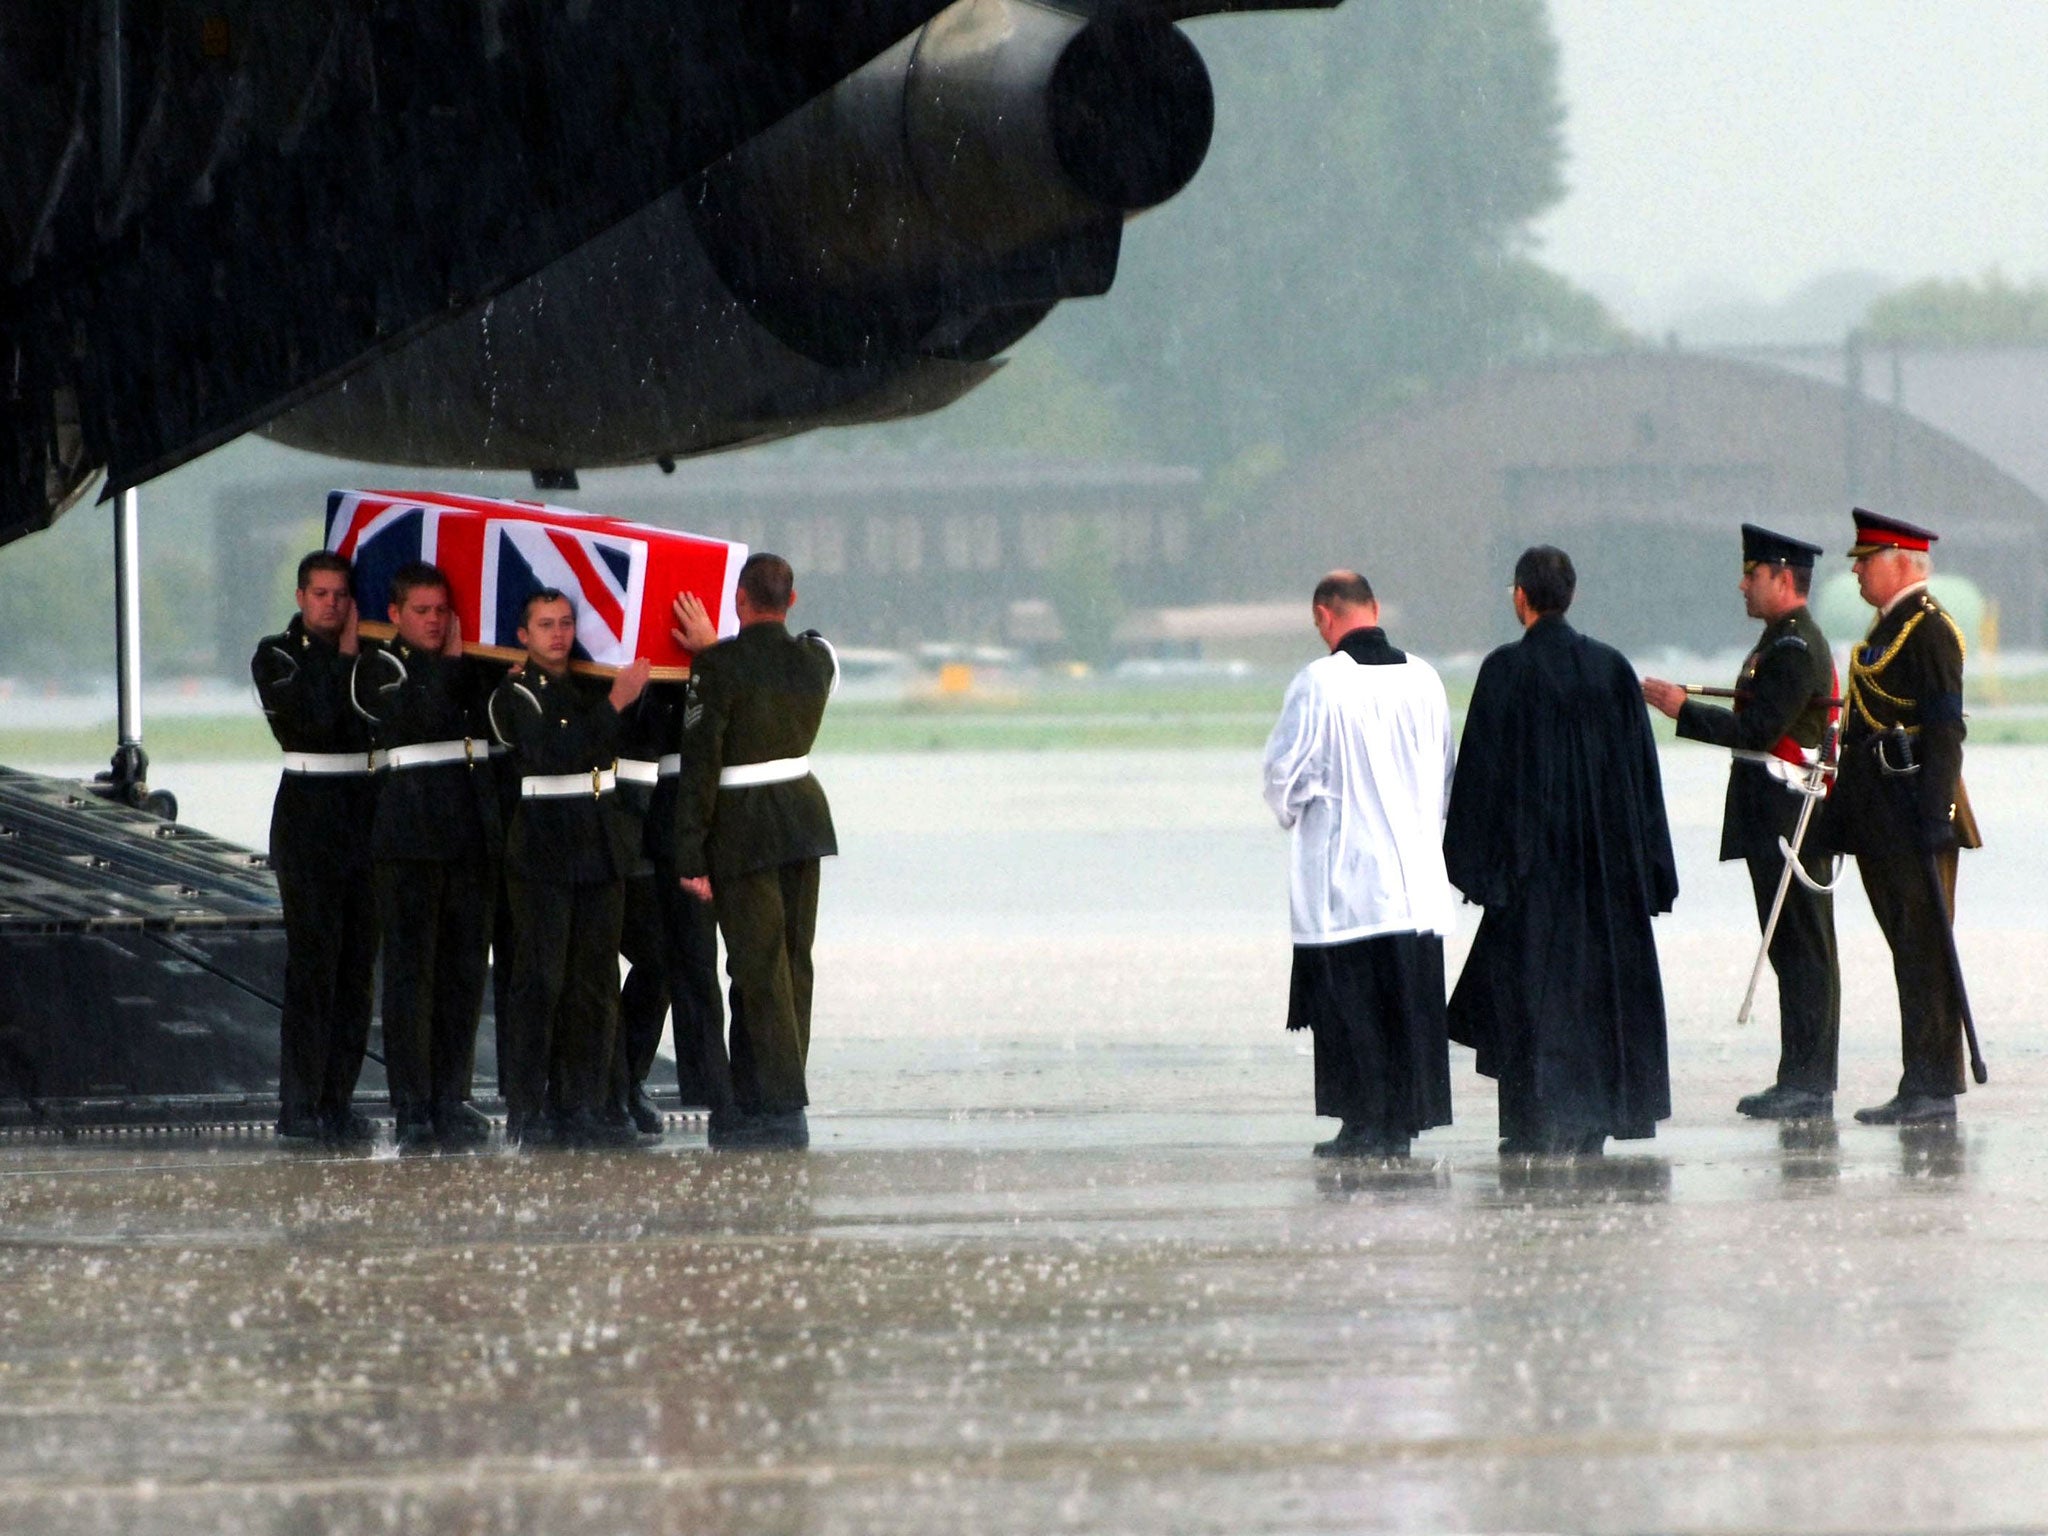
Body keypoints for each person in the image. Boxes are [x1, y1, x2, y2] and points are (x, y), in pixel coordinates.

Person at [1443, 545, 1678, 1156]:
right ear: (1569, 595)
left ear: (1521, 597)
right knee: (1599, 997)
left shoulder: (1503, 671)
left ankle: (1532, 1124)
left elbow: (1478, 782)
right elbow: (1642, 781)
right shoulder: (1612, 670)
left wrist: (1478, 872)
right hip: (1605, 876)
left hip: (1531, 878)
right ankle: (1592, 1121)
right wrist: (1652, 873)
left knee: (1533, 1001)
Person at [1642, 524, 1841, 1120]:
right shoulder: (1780, 642)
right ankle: (1799, 1075)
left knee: (1804, 950)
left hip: (1790, 814)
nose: (1742, 585)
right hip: (1773, 816)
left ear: (1783, 577)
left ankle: (1809, 1082)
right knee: (1790, 949)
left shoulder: (1795, 647)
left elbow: (1759, 733)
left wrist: (1685, 712)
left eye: (1752, 575)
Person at [1261, 570, 1457, 1159]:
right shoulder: (1425, 678)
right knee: (1407, 1007)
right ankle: (1401, 1119)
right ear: (1373, 607)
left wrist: (1302, 810)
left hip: (1349, 880)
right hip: (1417, 886)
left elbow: (1281, 777)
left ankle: (1363, 1121)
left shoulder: (1321, 682)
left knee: (1355, 1009)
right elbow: (1446, 771)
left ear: (1324, 616)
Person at [1816, 508, 1981, 1125]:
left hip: (1916, 812)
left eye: (1866, 560)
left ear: (1901, 563)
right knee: (1906, 948)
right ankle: (1923, 1078)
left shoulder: (1929, 629)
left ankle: (1933, 1085)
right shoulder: (1889, 627)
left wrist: (1935, 810)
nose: (1857, 571)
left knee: (1924, 950)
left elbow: (1945, 729)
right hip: (1882, 815)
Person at [671, 554, 837, 1150]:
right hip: (802, 820)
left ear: (739, 600)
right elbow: (774, 673)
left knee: (757, 966)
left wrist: (689, 853)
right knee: (792, 963)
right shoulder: (817, 660)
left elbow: (701, 766)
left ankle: (779, 1108)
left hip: (743, 829)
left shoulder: (717, 667)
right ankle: (756, 1097)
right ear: (791, 602)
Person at [489, 589, 651, 1148]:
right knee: (539, 980)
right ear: (523, 635)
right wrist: (614, 704)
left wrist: (619, 698)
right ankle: (529, 1108)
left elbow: (626, 738)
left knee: (594, 983)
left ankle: (584, 1104)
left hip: (598, 840)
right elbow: (553, 752)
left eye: (565, 623)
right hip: (543, 845)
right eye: (545, 624)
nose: (558, 634)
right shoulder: (514, 693)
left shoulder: (590, 681)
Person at [350, 561, 503, 1151]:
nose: (436, 621)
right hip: (410, 837)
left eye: (442, 610)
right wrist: (455, 665)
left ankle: (451, 1094)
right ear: (394, 615)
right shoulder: (378, 667)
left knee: (464, 971)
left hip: (468, 834)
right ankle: (411, 1102)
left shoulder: (465, 665)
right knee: (413, 975)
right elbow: (413, 716)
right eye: (423, 611)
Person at [250, 551, 380, 1145]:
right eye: (321, 594)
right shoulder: (275, 654)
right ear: (302, 597)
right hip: (309, 815)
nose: (331, 604)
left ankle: (337, 1101)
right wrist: (346, 653)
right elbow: (318, 717)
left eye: (341, 594)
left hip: (364, 812)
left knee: (356, 970)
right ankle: (298, 1103)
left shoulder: (373, 654)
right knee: (314, 967)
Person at [614, 678, 730, 1131]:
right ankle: (607, 1085)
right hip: (611, 820)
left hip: (662, 825)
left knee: (671, 961)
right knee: (639, 960)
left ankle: (628, 1080)